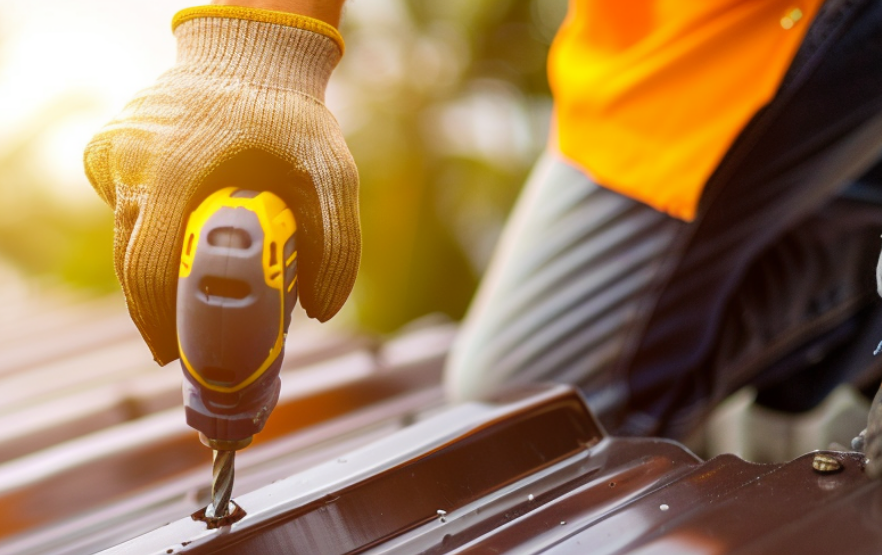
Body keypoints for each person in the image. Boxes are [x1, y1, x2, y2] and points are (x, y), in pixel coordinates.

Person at [83, 0, 882, 475]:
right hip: (667, 28)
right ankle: (851, 246)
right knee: (527, 410)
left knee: (542, 425)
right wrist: (253, 48)